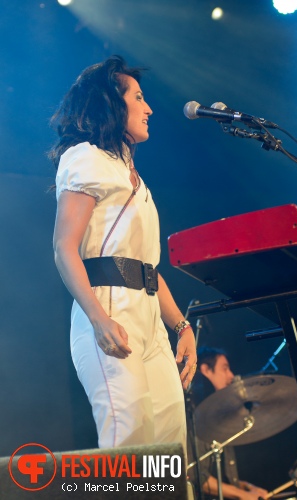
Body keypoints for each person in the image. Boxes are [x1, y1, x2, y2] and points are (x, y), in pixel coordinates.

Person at [50, 55, 197, 451]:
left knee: (169, 451)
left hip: (150, 323)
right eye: (138, 97)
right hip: (109, 315)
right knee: (128, 446)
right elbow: (64, 247)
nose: (149, 108)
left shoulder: (134, 177)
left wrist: (181, 327)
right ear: (112, 104)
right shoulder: (86, 158)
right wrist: (98, 320)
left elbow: (148, 270)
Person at [188, 346, 268, 500]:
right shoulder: (195, 416)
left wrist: (247, 487)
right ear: (205, 370)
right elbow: (197, 477)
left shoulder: (220, 417)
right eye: (225, 369)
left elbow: (222, 479)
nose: (231, 375)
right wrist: (242, 495)